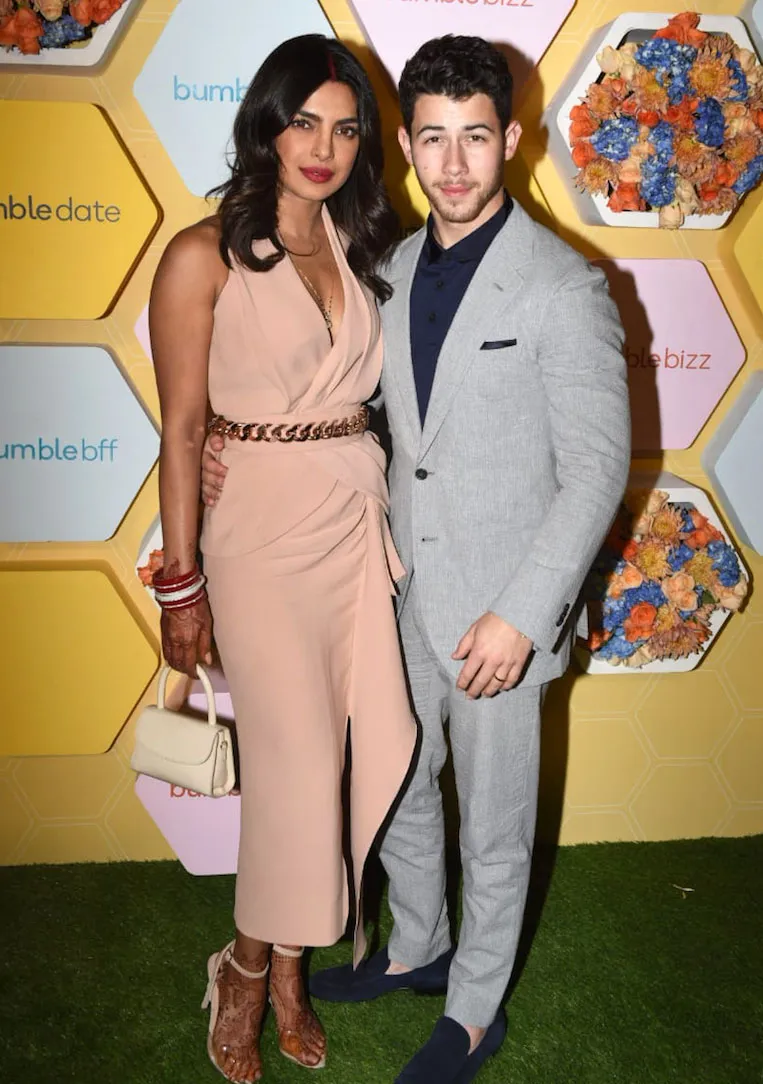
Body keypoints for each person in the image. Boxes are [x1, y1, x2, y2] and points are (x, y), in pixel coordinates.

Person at [203, 34, 631, 1084]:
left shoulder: (562, 284)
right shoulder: (383, 269)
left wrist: (523, 612)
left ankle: (472, 1011)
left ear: (511, 141)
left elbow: (596, 470)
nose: (451, 164)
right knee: (395, 785)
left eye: (473, 139)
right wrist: (227, 439)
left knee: (494, 822)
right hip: (392, 585)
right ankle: (415, 945)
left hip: (501, 612)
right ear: (403, 145)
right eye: (431, 139)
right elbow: (353, 409)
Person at [149, 33, 416, 1084]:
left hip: (351, 517)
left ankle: (287, 963)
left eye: (345, 129)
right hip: (256, 533)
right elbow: (182, 429)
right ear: (265, 122)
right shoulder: (199, 254)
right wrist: (182, 584)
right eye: (303, 121)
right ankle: (248, 973)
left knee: (356, 751)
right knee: (297, 768)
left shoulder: (360, 244)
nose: (323, 147)